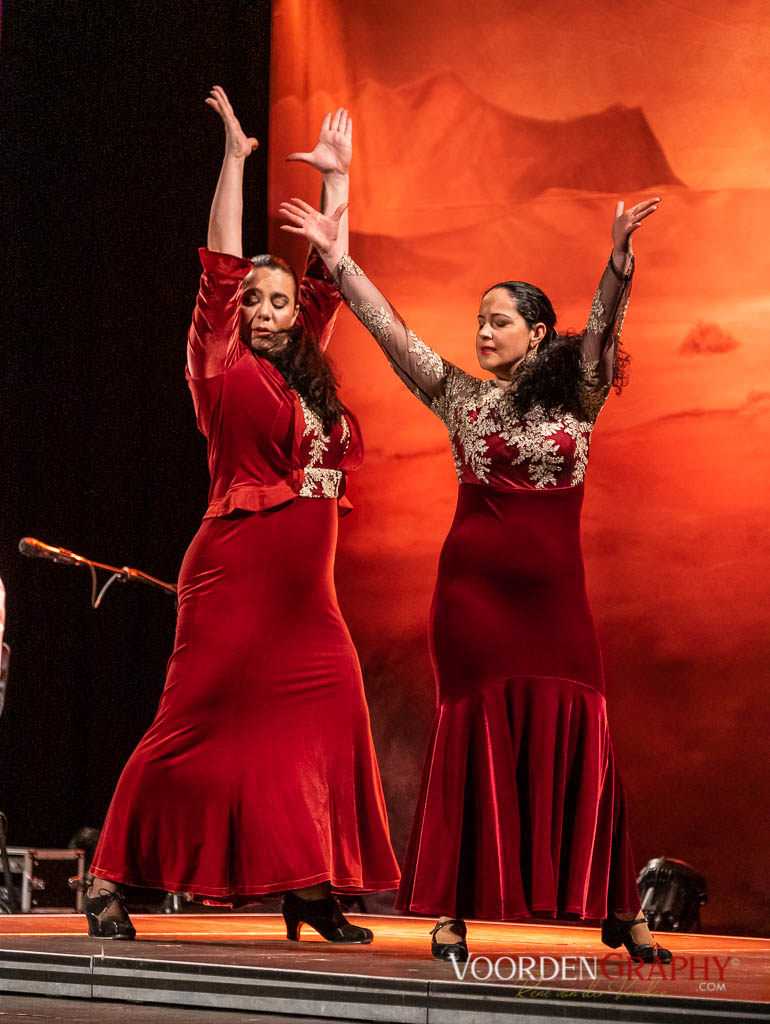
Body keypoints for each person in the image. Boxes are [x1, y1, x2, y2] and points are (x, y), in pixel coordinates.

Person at [279, 190, 673, 964]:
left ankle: (618, 910)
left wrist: (620, 257)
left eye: (499, 320)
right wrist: (338, 256)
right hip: (472, 605)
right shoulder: (459, 396)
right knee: (474, 741)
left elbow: (604, 327)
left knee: (583, 731)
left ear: (536, 332)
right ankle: (455, 912)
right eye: (480, 321)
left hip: (557, 605)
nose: (483, 332)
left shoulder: (579, 396)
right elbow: (391, 333)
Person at [85, 88, 400, 944]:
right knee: (193, 726)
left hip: (308, 596)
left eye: (277, 302)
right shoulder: (220, 366)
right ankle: (109, 878)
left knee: (329, 713)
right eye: (254, 300)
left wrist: (340, 185)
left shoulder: (307, 375)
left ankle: (308, 886)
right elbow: (219, 268)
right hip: (233, 573)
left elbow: (330, 273)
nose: (264, 310)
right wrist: (235, 158)